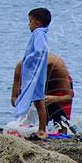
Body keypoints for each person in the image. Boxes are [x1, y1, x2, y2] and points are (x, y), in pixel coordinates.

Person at [12, 8, 51, 141]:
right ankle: (42, 128)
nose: (29, 24)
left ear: (38, 23)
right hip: (38, 73)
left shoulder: (38, 33)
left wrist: (28, 60)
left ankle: (42, 130)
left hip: (36, 73)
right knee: (38, 100)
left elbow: (41, 50)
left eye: (30, 21)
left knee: (39, 101)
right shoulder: (41, 33)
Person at [11, 53, 74, 133]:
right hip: (36, 94)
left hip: (57, 90)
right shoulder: (21, 68)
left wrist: (51, 99)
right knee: (31, 125)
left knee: (62, 125)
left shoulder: (57, 66)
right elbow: (14, 98)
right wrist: (25, 104)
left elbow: (68, 97)